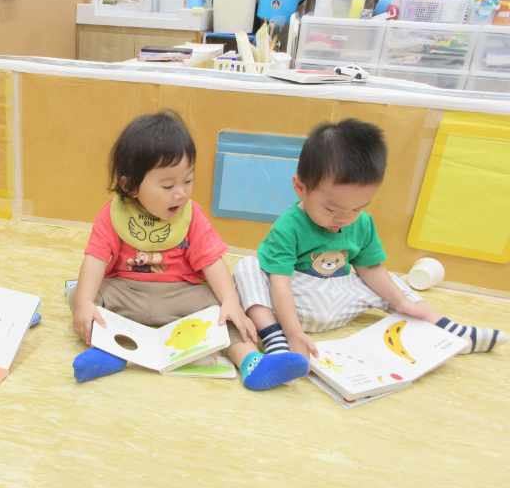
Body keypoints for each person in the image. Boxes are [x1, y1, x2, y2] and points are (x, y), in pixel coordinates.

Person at [69, 110, 309, 390]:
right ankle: (111, 351)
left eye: (188, 180)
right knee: (81, 295)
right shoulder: (113, 215)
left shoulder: (191, 216)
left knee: (225, 309)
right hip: (127, 293)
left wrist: (230, 301)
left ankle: (251, 361)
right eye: (168, 185)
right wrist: (85, 303)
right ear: (130, 185)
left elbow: (212, 262)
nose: (181, 193)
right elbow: (95, 258)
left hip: (182, 295)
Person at [234, 118, 506, 358]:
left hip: (341, 299)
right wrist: (294, 334)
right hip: (296, 304)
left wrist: (402, 303)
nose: (344, 218)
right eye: (331, 209)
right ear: (300, 187)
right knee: (249, 266)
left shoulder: (363, 223)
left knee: (391, 280)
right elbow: (280, 283)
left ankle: (447, 329)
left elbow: (370, 269)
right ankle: (275, 340)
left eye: (357, 208)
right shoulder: (288, 226)